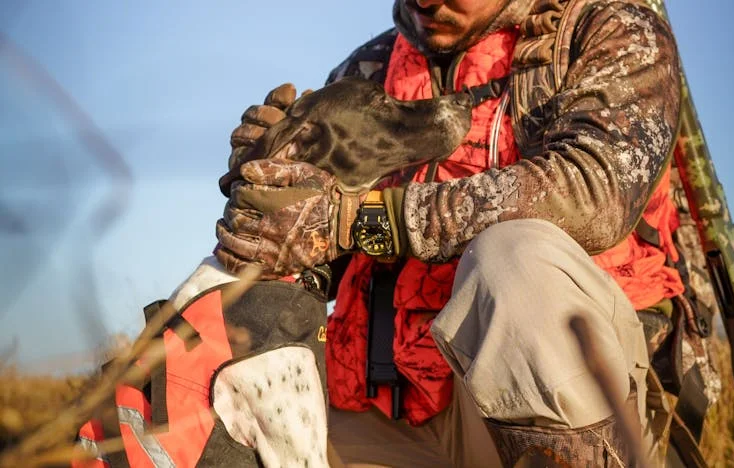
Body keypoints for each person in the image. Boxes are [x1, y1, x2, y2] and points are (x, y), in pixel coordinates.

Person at [217, 0, 684, 465]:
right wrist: (268, 185)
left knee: (514, 254)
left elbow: (589, 191)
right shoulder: (367, 69)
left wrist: (364, 220)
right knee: (221, 427)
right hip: (375, 411)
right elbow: (309, 249)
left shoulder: (611, 31)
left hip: (538, 410)